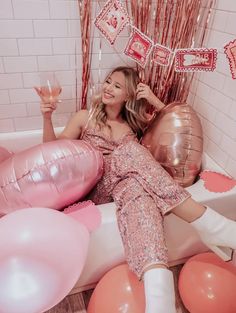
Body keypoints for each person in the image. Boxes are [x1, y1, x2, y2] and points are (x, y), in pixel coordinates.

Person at [36, 66, 236, 313]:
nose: (108, 88)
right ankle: (212, 225)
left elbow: (175, 124)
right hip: (95, 188)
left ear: (129, 95)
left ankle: (160, 305)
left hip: (122, 189)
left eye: (117, 86)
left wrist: (152, 100)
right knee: (129, 152)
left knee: (138, 194)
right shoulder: (84, 117)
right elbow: (50, 154)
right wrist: (46, 117)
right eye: (109, 82)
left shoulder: (135, 126)